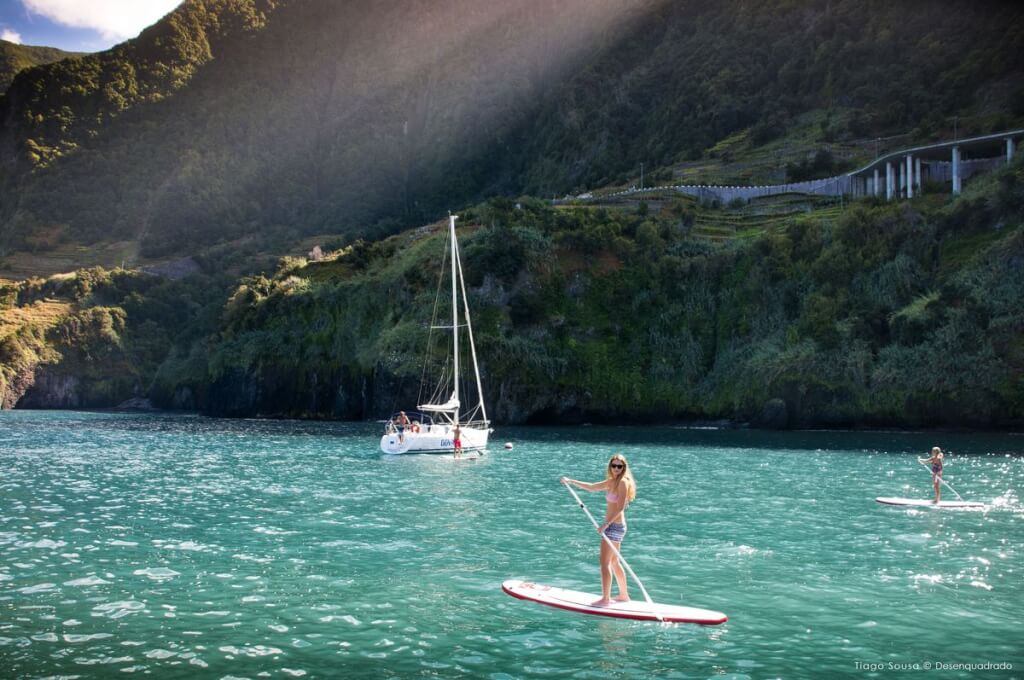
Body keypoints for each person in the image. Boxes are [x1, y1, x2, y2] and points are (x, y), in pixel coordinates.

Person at [560, 453, 636, 606]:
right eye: (613, 466)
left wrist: (605, 525)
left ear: (624, 468)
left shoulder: (623, 483)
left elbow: (620, 508)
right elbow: (592, 487)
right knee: (614, 562)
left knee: (605, 563)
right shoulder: (613, 481)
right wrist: (571, 482)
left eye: (619, 466)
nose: (616, 469)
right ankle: (623, 595)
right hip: (615, 525)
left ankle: (605, 599)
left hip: (613, 526)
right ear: (610, 467)